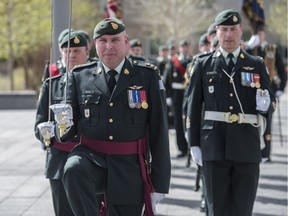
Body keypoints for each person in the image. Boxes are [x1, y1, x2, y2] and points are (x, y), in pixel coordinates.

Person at [53, 18, 171, 216]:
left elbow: (159, 132)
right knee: (73, 168)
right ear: (95, 45)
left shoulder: (147, 76)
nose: (109, 46)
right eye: (103, 40)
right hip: (91, 159)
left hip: (129, 165)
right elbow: (68, 132)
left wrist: (159, 183)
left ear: (126, 42)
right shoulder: (80, 76)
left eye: (115, 40)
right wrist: (59, 126)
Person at [186, 9, 275, 216]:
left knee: (243, 209)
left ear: (241, 31)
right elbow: (192, 106)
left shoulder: (256, 64)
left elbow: (270, 102)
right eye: (224, 29)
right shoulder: (203, 64)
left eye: (233, 29)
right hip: (214, 145)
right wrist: (194, 143)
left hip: (247, 145)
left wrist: (266, 105)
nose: (228, 35)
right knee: (216, 209)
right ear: (216, 32)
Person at [34, 32, 90, 216]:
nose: (71, 55)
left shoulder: (97, 83)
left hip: (90, 159)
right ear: (61, 53)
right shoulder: (51, 85)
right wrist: (46, 131)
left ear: (87, 52)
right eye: (67, 51)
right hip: (59, 160)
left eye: (76, 51)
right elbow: (39, 123)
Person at [246, 26, 287, 161]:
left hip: (269, 89)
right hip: (250, 89)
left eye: (261, 35)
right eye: (257, 35)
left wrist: (281, 87)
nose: (260, 37)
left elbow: (281, 69)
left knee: (267, 120)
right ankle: (254, 149)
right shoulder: (248, 48)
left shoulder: (271, 49)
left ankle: (265, 152)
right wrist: (249, 46)